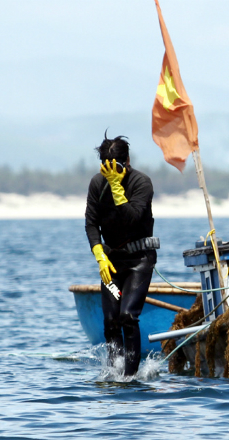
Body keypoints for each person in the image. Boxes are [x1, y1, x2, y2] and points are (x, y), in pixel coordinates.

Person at [85, 133, 158, 376]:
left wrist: (117, 186)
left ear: (127, 161)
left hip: (139, 261)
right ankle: (115, 373)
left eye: (115, 166)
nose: (110, 171)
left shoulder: (141, 183)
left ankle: (130, 378)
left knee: (127, 316)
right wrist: (100, 255)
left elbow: (132, 219)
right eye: (106, 167)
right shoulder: (97, 184)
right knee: (110, 320)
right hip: (112, 263)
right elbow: (91, 224)